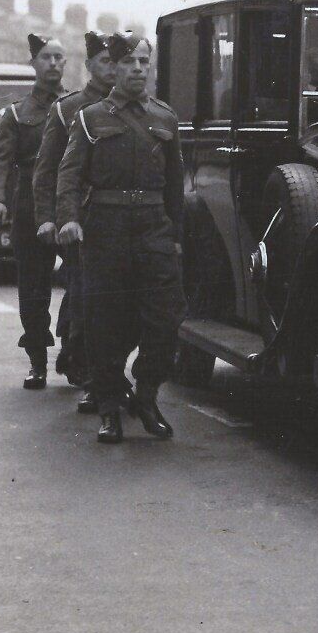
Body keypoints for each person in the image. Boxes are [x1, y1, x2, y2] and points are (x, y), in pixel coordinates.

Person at [54, 33, 186, 444]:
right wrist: (68, 219)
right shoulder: (91, 117)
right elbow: (69, 174)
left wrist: (176, 236)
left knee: (164, 320)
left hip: (153, 229)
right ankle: (110, 408)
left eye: (144, 62)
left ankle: (146, 397)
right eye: (129, 62)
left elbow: (175, 187)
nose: (138, 70)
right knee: (104, 322)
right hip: (106, 229)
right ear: (114, 66)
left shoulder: (165, 118)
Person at [34, 32, 121, 408]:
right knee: (88, 292)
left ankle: (76, 352)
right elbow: (47, 169)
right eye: (105, 62)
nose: (114, 70)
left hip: (118, 218)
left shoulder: (131, 107)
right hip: (79, 217)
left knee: (100, 294)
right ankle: (86, 368)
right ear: (89, 66)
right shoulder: (68, 109)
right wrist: (49, 219)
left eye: (118, 62)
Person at [0, 33, 71, 390]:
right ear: (34, 64)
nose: (53, 64)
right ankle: (37, 361)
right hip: (29, 209)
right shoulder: (18, 114)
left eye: (59, 58)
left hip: (69, 207)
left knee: (82, 282)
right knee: (33, 289)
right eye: (46, 57)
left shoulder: (76, 107)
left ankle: (75, 350)